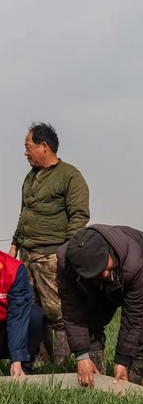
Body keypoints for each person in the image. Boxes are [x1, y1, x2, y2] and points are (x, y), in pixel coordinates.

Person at [57, 224, 143, 387]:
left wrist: (122, 361)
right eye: (97, 272)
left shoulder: (133, 263)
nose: (104, 273)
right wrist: (82, 357)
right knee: (91, 320)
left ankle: (135, 380)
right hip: (111, 271)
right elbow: (73, 312)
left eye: (104, 267)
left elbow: (133, 318)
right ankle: (96, 378)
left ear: (108, 252)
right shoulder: (67, 262)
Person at [8, 122, 90, 364]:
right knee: (29, 310)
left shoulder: (70, 176)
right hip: (27, 256)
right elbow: (25, 213)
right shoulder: (30, 177)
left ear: (44, 146)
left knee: (59, 312)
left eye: (28, 146)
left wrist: (65, 251)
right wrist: (15, 244)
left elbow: (79, 216)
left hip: (51, 255)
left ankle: (65, 364)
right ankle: (38, 361)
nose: (25, 152)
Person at [0, 250, 46, 376]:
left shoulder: (13, 269)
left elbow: (18, 316)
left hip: (7, 328)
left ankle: (23, 367)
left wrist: (16, 358)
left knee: (34, 316)